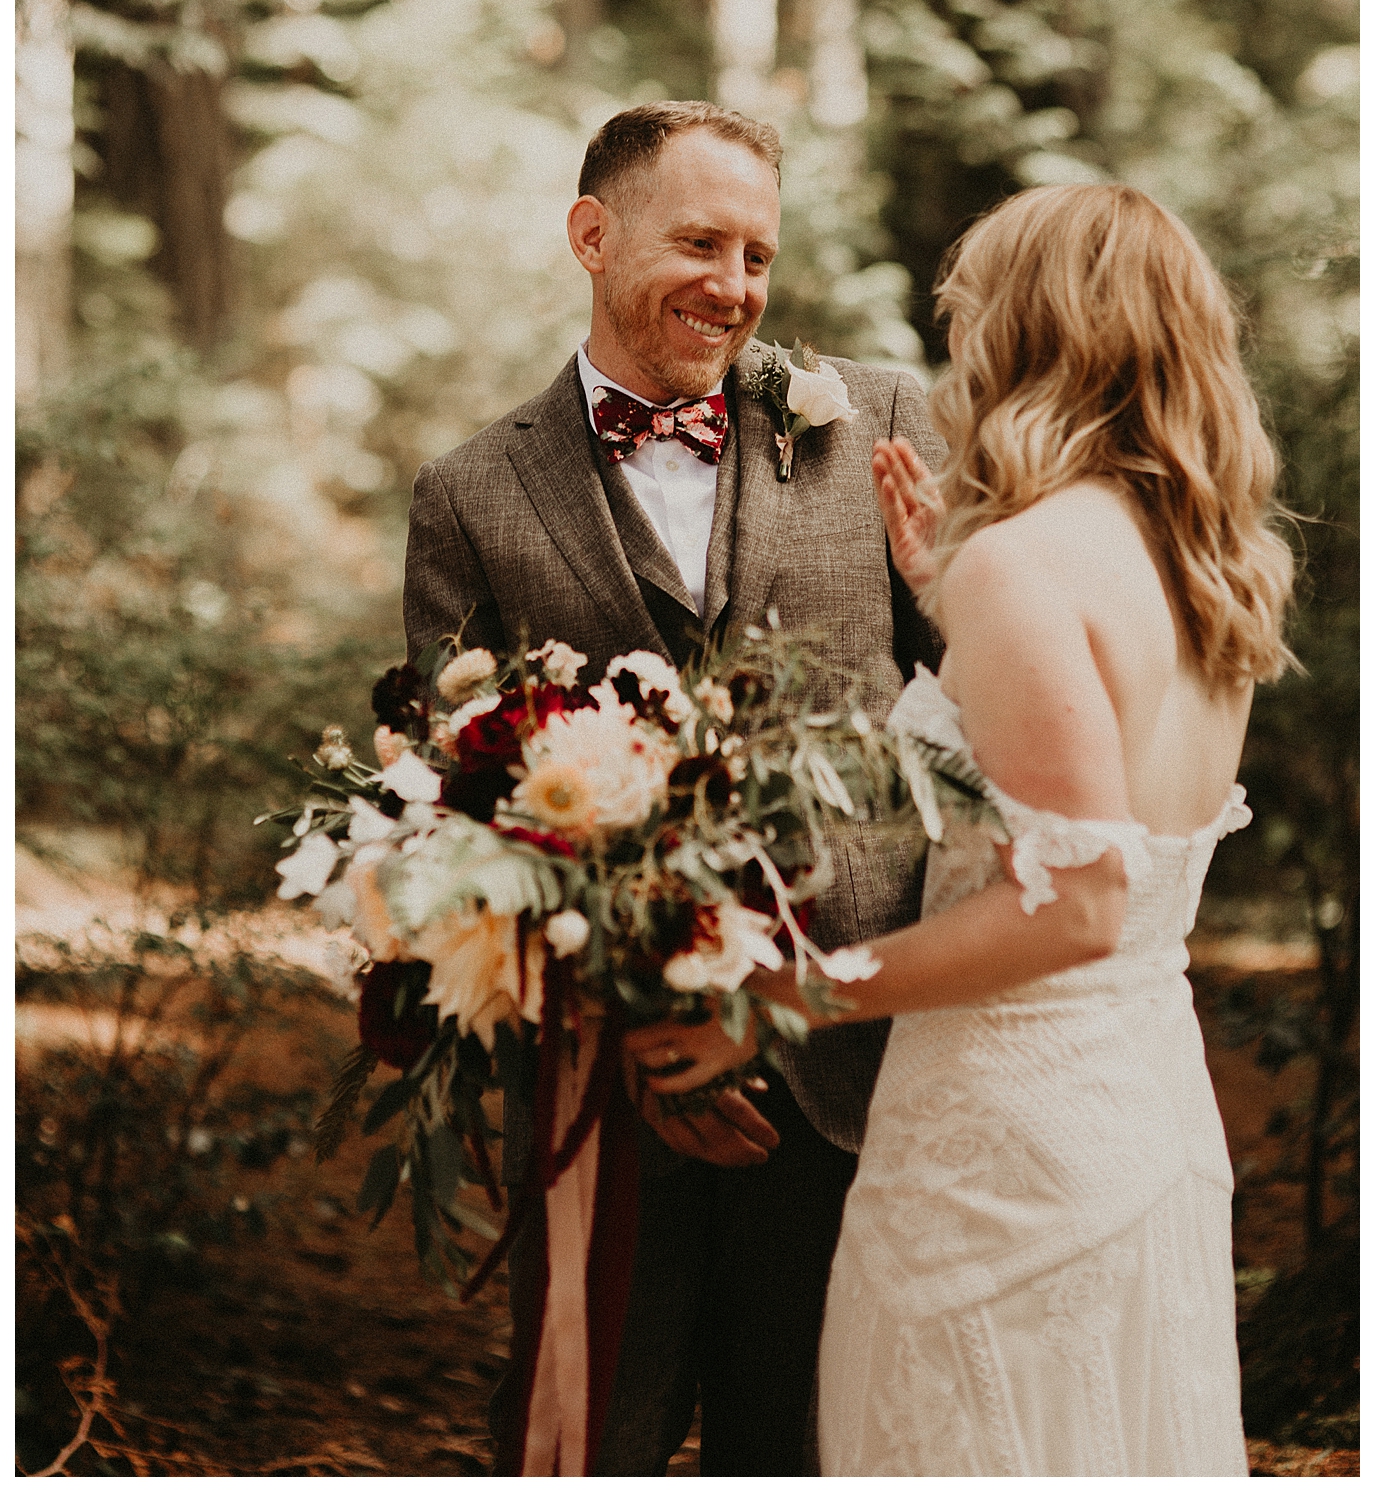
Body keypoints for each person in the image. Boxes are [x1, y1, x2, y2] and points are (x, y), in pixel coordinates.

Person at [628, 181, 1296, 1476]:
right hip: (1142, 1113)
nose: (957, 343)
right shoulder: (1201, 562)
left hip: (1000, 1148)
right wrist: (953, 601)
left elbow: (1079, 894)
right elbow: (1103, 796)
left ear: (1030, 331)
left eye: (973, 310)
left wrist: (791, 991)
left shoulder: (1031, 561)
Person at [402, 99, 945, 1474]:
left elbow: (977, 703)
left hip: (846, 1060)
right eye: (700, 240)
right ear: (591, 234)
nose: (736, 285)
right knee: (601, 1436)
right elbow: (460, 804)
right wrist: (634, 1027)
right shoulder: (471, 493)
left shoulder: (877, 415)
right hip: (606, 1081)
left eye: (757, 253)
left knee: (808, 1447)